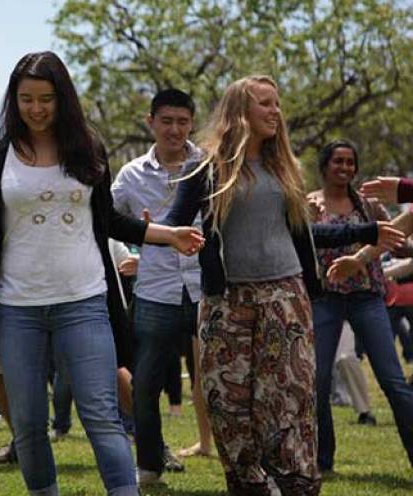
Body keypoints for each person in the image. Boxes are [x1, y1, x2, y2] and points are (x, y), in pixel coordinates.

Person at [0, 51, 205, 496]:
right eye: (26, 98)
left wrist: (168, 234)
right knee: (30, 424)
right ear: (14, 100)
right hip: (18, 307)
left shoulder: (87, 148)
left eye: (46, 99)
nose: (36, 108)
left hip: (85, 301)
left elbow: (108, 219)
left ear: (62, 99)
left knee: (101, 415)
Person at [162, 75, 405, 495]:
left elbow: (302, 234)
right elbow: (176, 221)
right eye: (265, 104)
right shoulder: (205, 166)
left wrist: (367, 232)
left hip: (284, 297)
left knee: (287, 402)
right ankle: (251, 486)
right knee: (228, 403)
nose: (276, 111)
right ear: (241, 111)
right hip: (227, 301)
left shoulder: (283, 166)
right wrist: (154, 235)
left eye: (277, 104)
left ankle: (295, 486)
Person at [110, 88, 211, 484]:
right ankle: (149, 467)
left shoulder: (209, 166)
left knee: (225, 381)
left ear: (192, 123)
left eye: (183, 121)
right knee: (146, 383)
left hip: (209, 288)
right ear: (150, 121)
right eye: (166, 121)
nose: (174, 129)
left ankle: (239, 461)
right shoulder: (130, 175)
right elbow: (107, 220)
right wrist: (128, 250)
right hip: (155, 289)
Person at [307, 139, 413, 473]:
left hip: (367, 296)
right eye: (338, 161)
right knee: (318, 380)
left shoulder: (368, 206)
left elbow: (393, 241)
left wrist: (406, 248)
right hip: (325, 297)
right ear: (325, 166)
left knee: (393, 380)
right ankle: (323, 462)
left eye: (350, 163)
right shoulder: (309, 204)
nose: (344, 168)